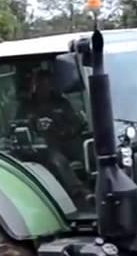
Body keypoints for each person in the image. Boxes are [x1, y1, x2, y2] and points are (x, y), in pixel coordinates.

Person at [16, 67, 91, 205]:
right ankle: (81, 193)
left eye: (46, 84)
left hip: (67, 140)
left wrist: (58, 127)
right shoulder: (26, 106)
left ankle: (100, 188)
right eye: (40, 84)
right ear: (34, 85)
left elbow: (76, 124)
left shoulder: (61, 103)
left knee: (90, 153)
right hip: (43, 146)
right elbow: (17, 125)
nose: (43, 88)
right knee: (59, 161)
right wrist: (34, 124)